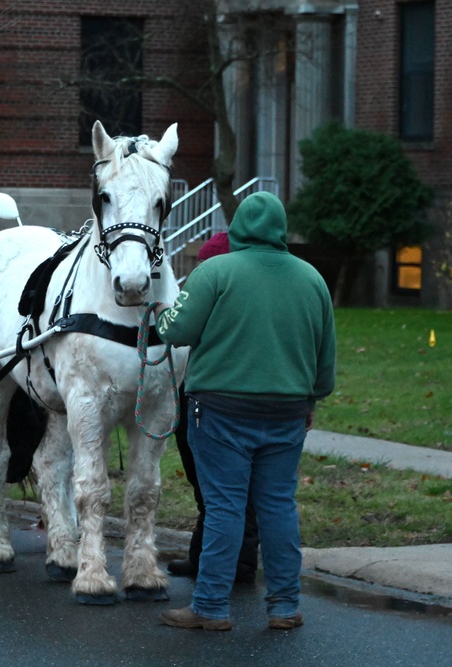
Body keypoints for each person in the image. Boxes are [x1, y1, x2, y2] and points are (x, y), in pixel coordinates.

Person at [153, 192, 336, 631]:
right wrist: (311, 398)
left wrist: (159, 311)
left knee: (225, 509)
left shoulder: (215, 271)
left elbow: (174, 330)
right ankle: (285, 606)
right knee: (277, 506)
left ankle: (211, 608)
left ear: (237, 229)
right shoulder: (312, 279)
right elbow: (324, 360)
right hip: (288, 412)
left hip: (220, 412)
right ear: (280, 228)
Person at [168, 231, 260, 586]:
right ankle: (205, 557)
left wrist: (164, 315)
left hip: (215, 402)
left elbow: (177, 330)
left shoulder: (224, 296)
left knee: (228, 491)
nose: (200, 272)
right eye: (199, 265)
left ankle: (238, 567)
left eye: (206, 264)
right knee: (209, 487)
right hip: (197, 398)